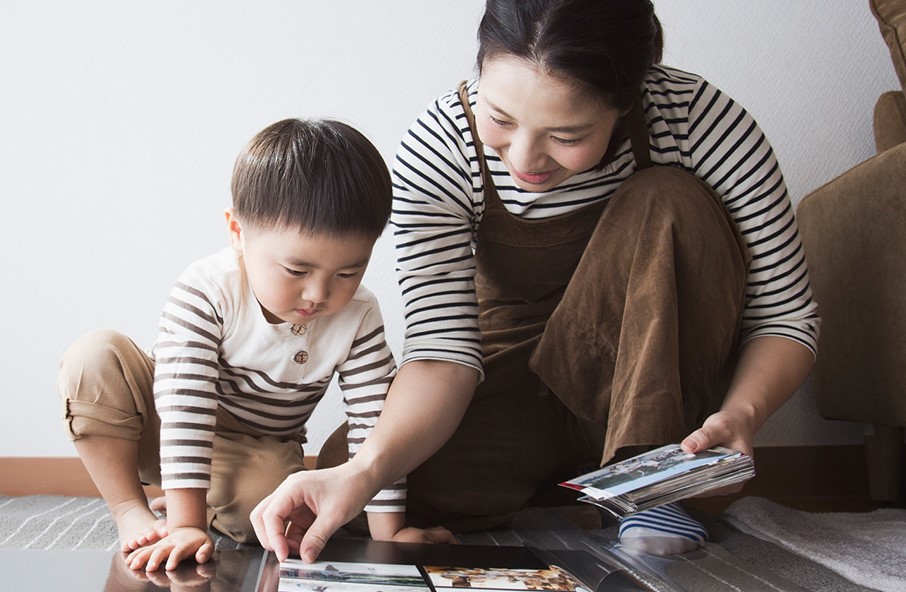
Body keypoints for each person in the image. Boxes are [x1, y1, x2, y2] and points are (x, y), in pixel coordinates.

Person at [252, 0, 819, 560]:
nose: (524, 158)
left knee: (667, 199)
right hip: (516, 375)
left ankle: (651, 488)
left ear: (626, 100)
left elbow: (786, 315)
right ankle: (575, 495)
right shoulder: (442, 144)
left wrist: (742, 414)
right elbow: (442, 352)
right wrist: (366, 470)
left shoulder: (698, 120)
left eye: (567, 135)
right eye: (499, 118)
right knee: (352, 486)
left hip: (657, 386)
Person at [56, 118, 453, 572]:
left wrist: (390, 537)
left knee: (270, 509)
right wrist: (187, 525)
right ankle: (134, 508)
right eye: (297, 271)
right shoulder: (209, 288)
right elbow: (185, 404)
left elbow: (375, 420)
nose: (318, 294)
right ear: (237, 233)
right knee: (93, 357)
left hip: (260, 447)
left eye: (348, 273)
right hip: (163, 426)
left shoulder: (359, 313)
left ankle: (212, 499)